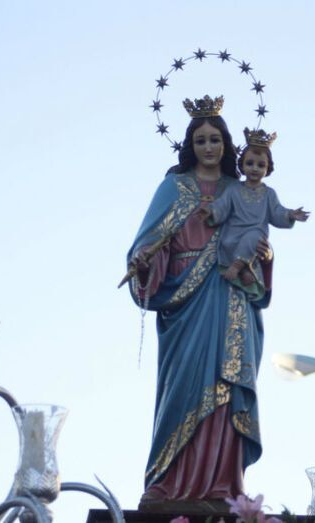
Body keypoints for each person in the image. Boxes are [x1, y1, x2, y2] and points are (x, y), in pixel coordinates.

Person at [126, 95, 272, 507]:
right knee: (182, 387)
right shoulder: (172, 188)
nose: (209, 147)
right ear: (191, 146)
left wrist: (265, 259)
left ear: (227, 145)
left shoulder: (241, 190)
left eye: (215, 140)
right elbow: (148, 242)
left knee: (226, 384)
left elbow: (257, 238)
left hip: (231, 296)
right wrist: (144, 262)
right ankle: (167, 480)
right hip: (185, 302)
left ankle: (223, 485)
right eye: (201, 140)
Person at [196, 128, 309, 289]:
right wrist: (210, 211)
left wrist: (290, 214)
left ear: (267, 168)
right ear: (242, 165)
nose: (255, 168)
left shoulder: (269, 193)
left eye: (260, 165)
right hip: (232, 235)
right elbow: (223, 205)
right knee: (231, 242)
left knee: (254, 238)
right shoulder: (234, 189)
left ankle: (237, 267)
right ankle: (244, 270)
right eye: (250, 163)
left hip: (255, 235)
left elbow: (277, 212)